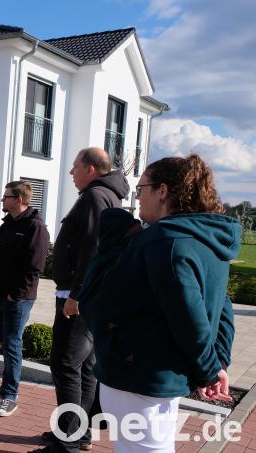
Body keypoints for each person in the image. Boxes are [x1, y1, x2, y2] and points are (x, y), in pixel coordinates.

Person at [74, 155, 238, 452]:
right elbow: (222, 308)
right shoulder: (207, 241)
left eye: (141, 189)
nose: (137, 198)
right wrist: (217, 364)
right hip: (158, 376)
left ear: (162, 191)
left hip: (141, 376)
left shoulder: (164, 242)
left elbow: (189, 318)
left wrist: (210, 370)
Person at [42, 148, 129, 452]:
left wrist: (76, 294)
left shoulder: (95, 197)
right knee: (85, 366)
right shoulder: (106, 195)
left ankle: (66, 441)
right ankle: (79, 433)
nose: (71, 172)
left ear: (91, 169)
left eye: (75, 167)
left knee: (65, 363)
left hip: (79, 297)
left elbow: (92, 250)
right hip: (89, 295)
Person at [0, 180, 49, 417]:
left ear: (19, 199)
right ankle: (5, 387)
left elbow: (35, 267)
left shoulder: (35, 227)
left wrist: (17, 294)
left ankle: (10, 396)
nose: (2, 200)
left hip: (17, 299)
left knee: (12, 344)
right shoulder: (7, 225)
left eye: (6, 196)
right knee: (5, 342)